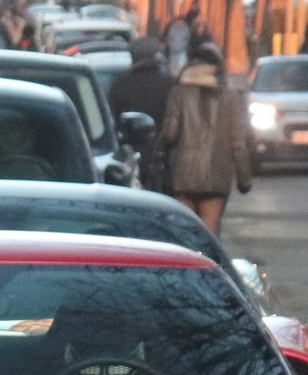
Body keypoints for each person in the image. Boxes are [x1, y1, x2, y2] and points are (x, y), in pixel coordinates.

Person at [160, 41, 254, 234]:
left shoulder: (178, 94)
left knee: (185, 235)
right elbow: (239, 144)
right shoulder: (233, 99)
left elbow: (169, 134)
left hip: (183, 177)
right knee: (208, 235)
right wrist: (244, 178)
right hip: (216, 178)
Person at [108, 36, 173, 194]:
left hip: (129, 153)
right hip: (164, 155)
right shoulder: (169, 83)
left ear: (133, 56)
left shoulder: (121, 84)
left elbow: (111, 119)